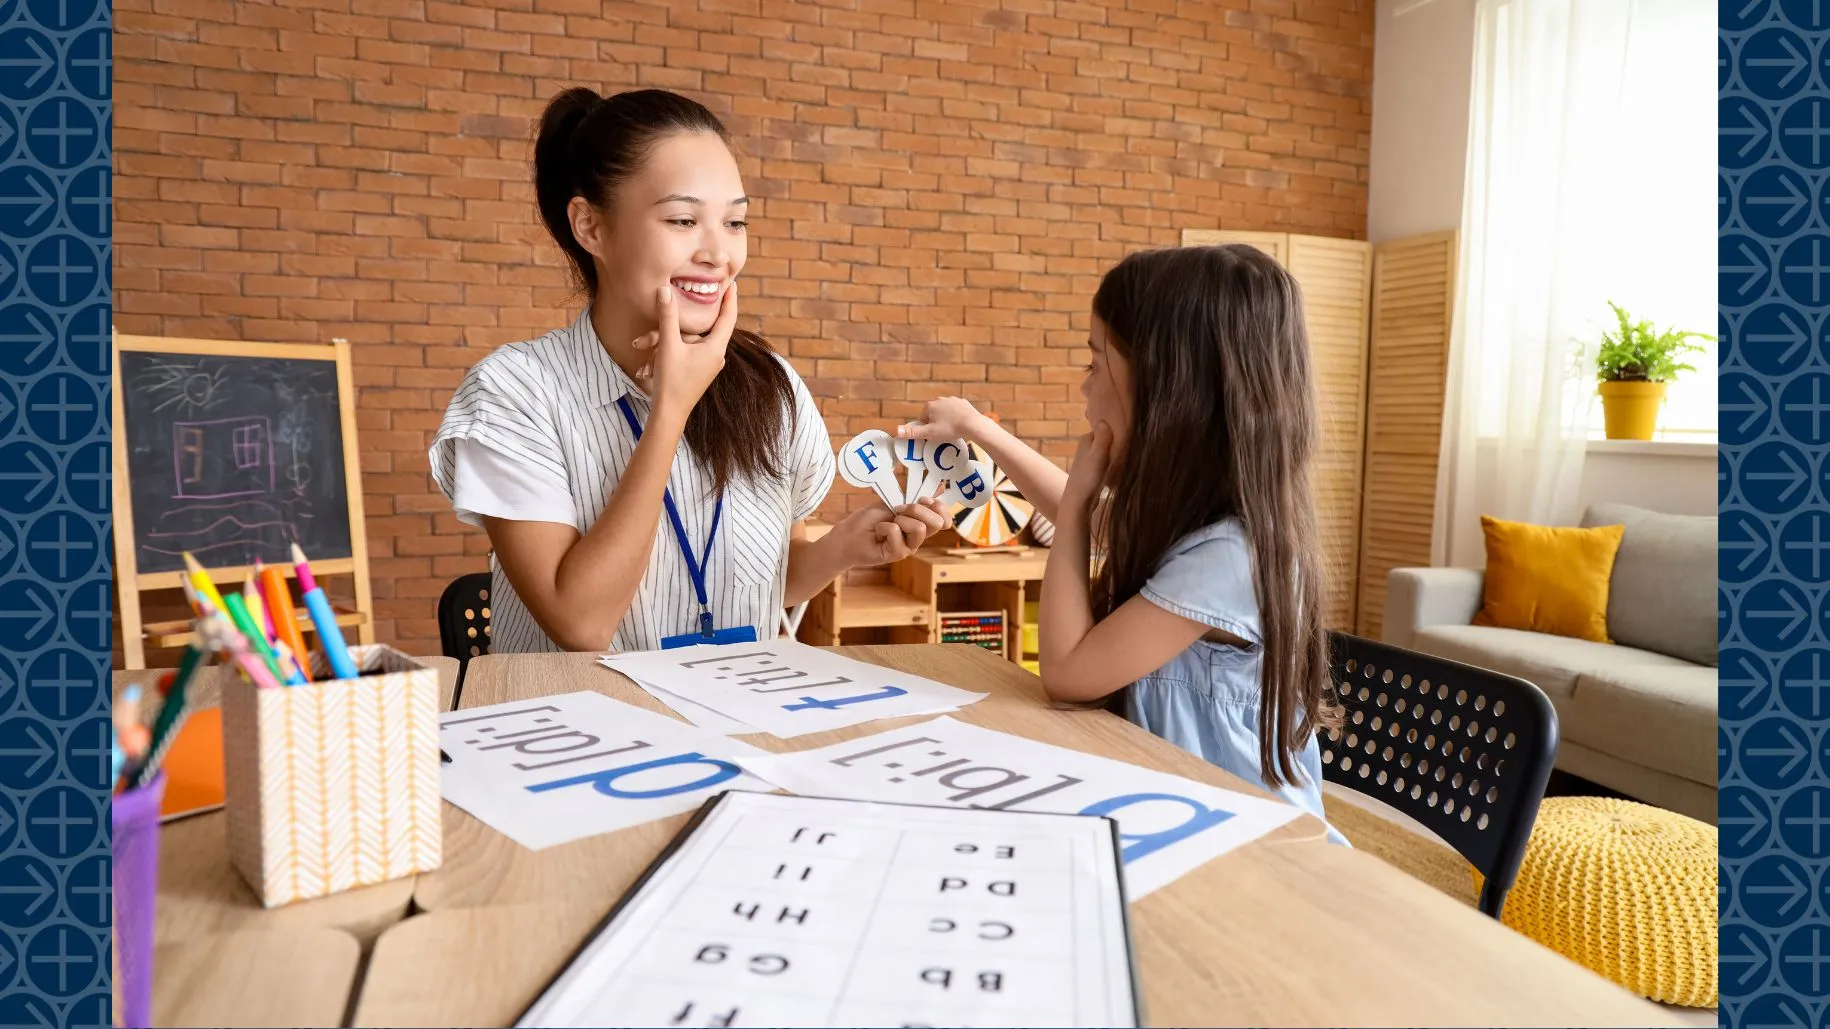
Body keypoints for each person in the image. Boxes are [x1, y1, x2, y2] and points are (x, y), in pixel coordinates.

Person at [431, 87, 947, 653]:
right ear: (591, 227)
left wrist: (845, 546)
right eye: (682, 219)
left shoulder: (770, 388)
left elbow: (765, 580)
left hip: (732, 723)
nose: (717, 254)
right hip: (583, 732)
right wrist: (669, 410)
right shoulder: (513, 393)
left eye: (735, 223)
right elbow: (581, 624)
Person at [899, 245, 1344, 837]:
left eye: (1095, 364)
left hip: (1250, 839)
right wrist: (978, 429)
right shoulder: (1203, 525)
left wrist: (1081, 500)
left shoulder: (1232, 557)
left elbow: (1067, 672)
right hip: (1169, 797)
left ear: (1170, 389)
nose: (1084, 393)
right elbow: (1068, 505)